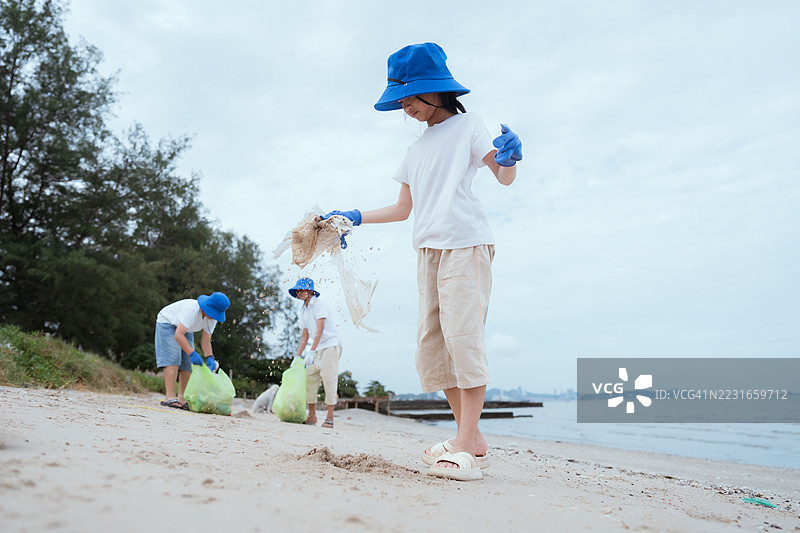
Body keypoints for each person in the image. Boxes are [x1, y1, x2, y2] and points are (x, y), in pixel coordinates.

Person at [324, 42, 522, 481]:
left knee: (464, 338)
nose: (406, 106)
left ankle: (466, 449)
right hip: (427, 251)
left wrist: (509, 160)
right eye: (401, 100)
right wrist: (352, 218)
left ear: (437, 90)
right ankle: (473, 440)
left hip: (466, 245)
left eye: (411, 96)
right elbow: (402, 209)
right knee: (434, 347)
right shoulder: (415, 151)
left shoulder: (470, 126)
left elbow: (503, 176)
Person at [155, 292, 230, 410]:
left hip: (187, 329)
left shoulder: (212, 319)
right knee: (173, 356)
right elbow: (178, 335)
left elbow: (206, 341)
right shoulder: (192, 310)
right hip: (167, 323)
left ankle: (182, 398)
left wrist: (210, 357)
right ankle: (169, 397)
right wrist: (192, 353)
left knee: (188, 363)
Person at [289, 277, 343, 428]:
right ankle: (311, 416)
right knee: (309, 379)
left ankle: (330, 418)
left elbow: (320, 330)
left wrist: (311, 351)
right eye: (297, 290)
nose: (299, 292)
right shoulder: (304, 309)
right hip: (316, 348)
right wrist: (297, 356)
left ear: (310, 291)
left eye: (301, 290)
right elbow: (305, 335)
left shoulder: (320, 305)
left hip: (330, 346)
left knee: (328, 379)